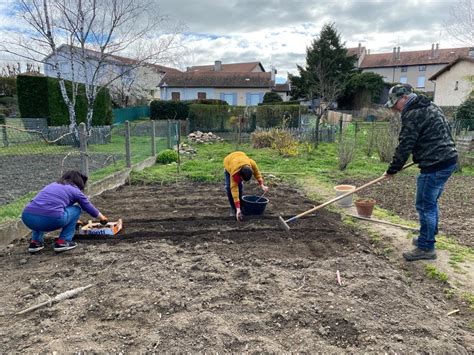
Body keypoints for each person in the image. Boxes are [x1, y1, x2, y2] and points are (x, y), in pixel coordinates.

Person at [383, 84, 458, 261]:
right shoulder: (430, 105)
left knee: (425, 205)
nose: (394, 108)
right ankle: (428, 236)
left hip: (435, 165)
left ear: (404, 98)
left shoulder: (412, 113)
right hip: (448, 160)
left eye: (395, 103)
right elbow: (443, 132)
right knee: (430, 203)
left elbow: (405, 144)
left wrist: (393, 169)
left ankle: (426, 247)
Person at [22, 170, 108, 253]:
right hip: (51, 219)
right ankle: (63, 241)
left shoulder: (52, 185)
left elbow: (53, 205)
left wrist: (72, 220)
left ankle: (35, 243)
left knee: (40, 210)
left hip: (27, 217)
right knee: (77, 209)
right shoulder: (75, 190)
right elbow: (88, 207)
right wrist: (102, 217)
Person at [224, 151, 269, 221]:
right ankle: (234, 208)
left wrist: (262, 185)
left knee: (240, 187)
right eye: (241, 179)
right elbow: (234, 189)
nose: (241, 180)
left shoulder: (251, 163)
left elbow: (257, 173)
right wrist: (237, 209)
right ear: (239, 174)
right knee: (229, 188)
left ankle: (241, 207)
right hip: (229, 163)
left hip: (241, 158)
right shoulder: (234, 172)